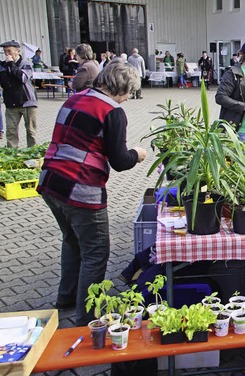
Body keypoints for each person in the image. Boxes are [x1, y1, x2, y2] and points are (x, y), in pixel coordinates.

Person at [36, 59, 148, 327]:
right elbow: (120, 161)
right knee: (96, 252)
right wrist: (138, 154)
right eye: (130, 92)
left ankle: (66, 298)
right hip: (81, 190)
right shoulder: (112, 111)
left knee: (72, 241)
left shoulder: (76, 97)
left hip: (51, 182)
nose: (130, 98)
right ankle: (87, 319)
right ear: (122, 88)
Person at [0, 40, 38, 148]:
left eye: (9, 51)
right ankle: (12, 155)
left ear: (18, 51)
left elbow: (22, 78)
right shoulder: (3, 66)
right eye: (5, 52)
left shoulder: (26, 64)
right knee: (11, 132)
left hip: (28, 102)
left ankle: (32, 154)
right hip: (11, 103)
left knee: (31, 132)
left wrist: (11, 64)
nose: (7, 54)